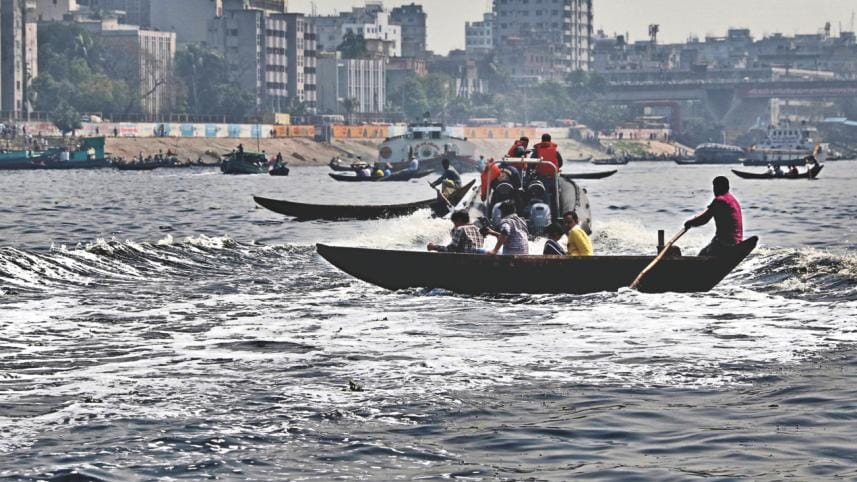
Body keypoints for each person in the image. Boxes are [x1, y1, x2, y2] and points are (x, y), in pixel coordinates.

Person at [684, 176, 743, 257]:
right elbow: (705, 215)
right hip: (737, 241)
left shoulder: (720, 200)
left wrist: (689, 223)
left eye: (716, 187)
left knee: (701, 255)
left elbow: (704, 219)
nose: (714, 190)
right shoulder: (733, 200)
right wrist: (693, 221)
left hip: (725, 243)